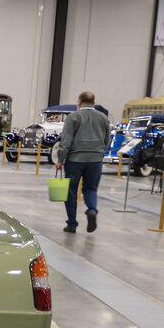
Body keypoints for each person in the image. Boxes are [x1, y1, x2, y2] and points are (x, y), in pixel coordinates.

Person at [55, 91, 109, 234]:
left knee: (70, 191)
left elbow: (66, 140)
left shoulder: (73, 117)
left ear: (79, 103)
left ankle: (72, 224)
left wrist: (60, 159)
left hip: (75, 160)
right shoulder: (103, 117)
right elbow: (107, 138)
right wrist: (100, 152)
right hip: (95, 160)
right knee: (90, 189)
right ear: (94, 103)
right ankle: (91, 210)